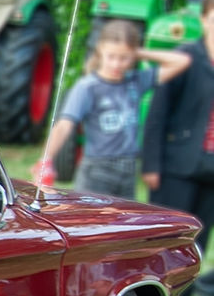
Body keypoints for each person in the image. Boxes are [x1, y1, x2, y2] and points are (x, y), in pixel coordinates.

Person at [37, 18, 189, 197]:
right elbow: (64, 125)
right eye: (111, 57)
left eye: (124, 58)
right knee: (93, 223)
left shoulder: (136, 81)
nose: (117, 64)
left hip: (128, 170)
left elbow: (182, 62)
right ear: (100, 50)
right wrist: (46, 158)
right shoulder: (88, 87)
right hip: (97, 171)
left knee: (122, 223)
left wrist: (139, 52)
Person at [142, 0, 214, 295]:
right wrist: (151, 164)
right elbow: (157, 114)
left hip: (210, 171)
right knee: (168, 244)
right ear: (204, 20)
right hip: (176, 167)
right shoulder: (185, 59)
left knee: (197, 244)